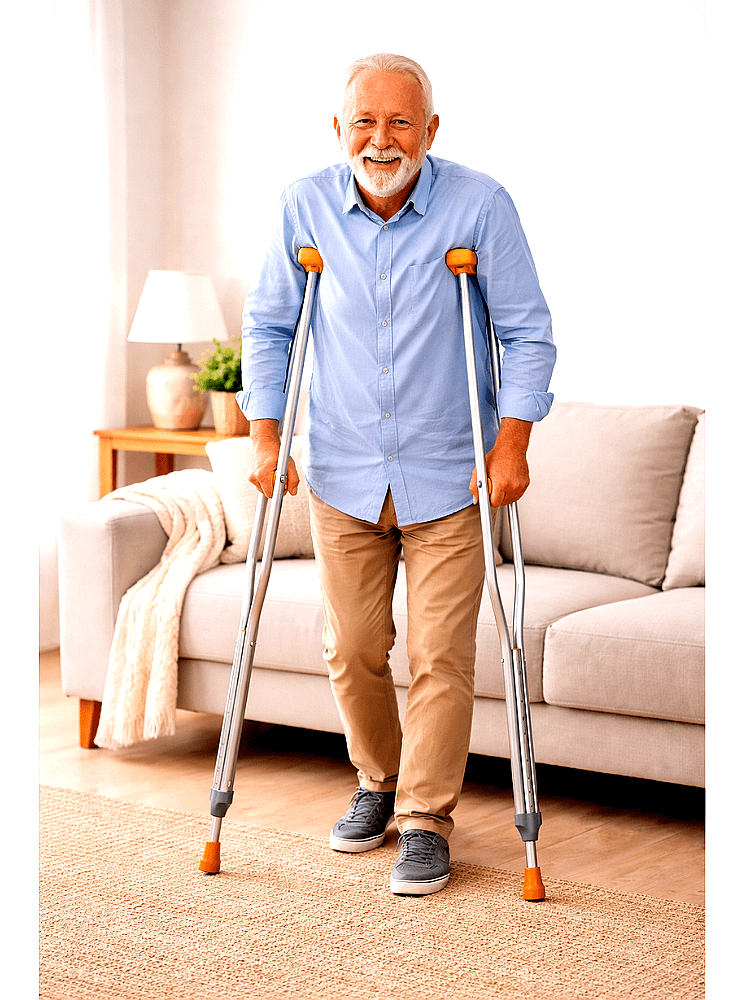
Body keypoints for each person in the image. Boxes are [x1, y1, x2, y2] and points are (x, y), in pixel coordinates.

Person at [236, 52, 555, 896]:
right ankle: (378, 782)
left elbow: (526, 333)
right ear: (339, 130)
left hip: (454, 476)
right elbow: (270, 326)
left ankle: (424, 818)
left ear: (431, 131)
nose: (383, 140)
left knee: (442, 654)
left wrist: (513, 442)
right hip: (343, 468)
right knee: (350, 650)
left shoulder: (479, 206)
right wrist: (267, 437)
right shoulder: (303, 207)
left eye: (401, 122)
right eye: (366, 123)